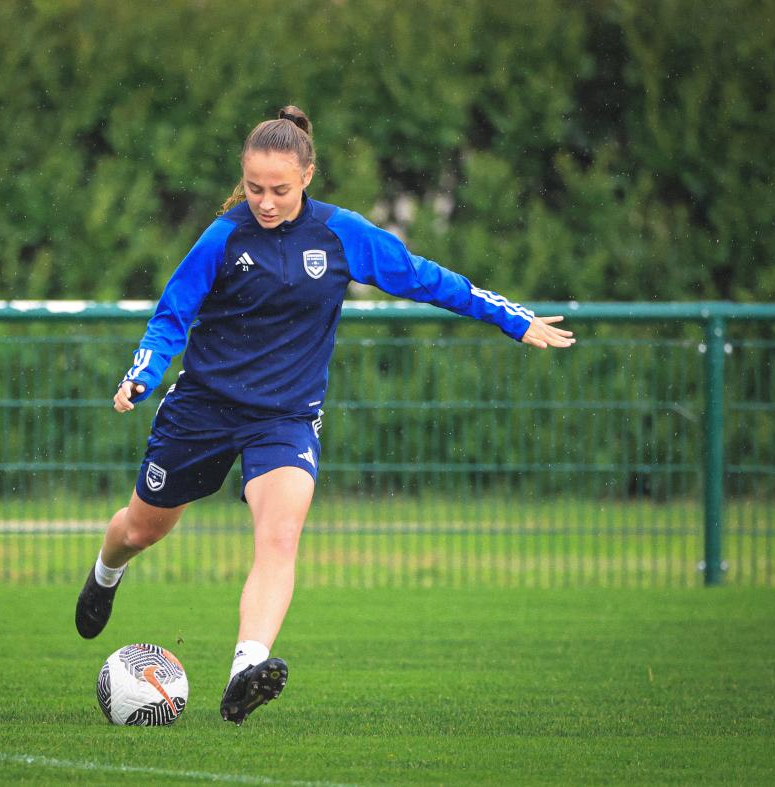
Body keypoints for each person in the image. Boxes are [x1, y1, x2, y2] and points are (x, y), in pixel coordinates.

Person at [75, 105, 575, 725]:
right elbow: (171, 315)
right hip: (202, 409)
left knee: (280, 536)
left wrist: (513, 317)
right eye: (254, 188)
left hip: (285, 417)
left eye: (279, 189)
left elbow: (427, 279)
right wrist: (142, 375)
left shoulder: (343, 235)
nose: (265, 200)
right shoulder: (222, 239)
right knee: (142, 530)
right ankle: (105, 571)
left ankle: (246, 669)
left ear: (308, 175)